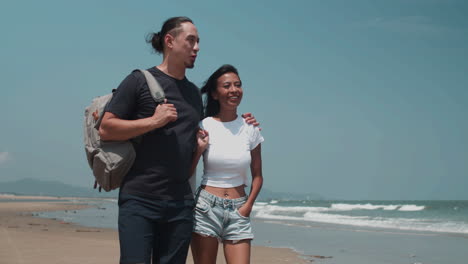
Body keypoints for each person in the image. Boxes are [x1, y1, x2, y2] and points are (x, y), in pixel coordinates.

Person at [99, 17, 259, 264]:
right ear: (170, 41)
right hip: (140, 198)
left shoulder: (194, 94)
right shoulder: (139, 80)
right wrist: (153, 121)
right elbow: (107, 128)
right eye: (191, 41)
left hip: (180, 204)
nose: (196, 48)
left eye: (198, 42)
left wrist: (244, 122)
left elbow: (214, 128)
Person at [190, 64, 264, 264]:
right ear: (215, 93)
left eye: (238, 85)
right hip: (206, 207)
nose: (234, 90)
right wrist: (198, 149)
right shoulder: (204, 125)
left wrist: (248, 205)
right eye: (227, 86)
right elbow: (188, 171)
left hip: (239, 209)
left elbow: (258, 175)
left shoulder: (250, 128)